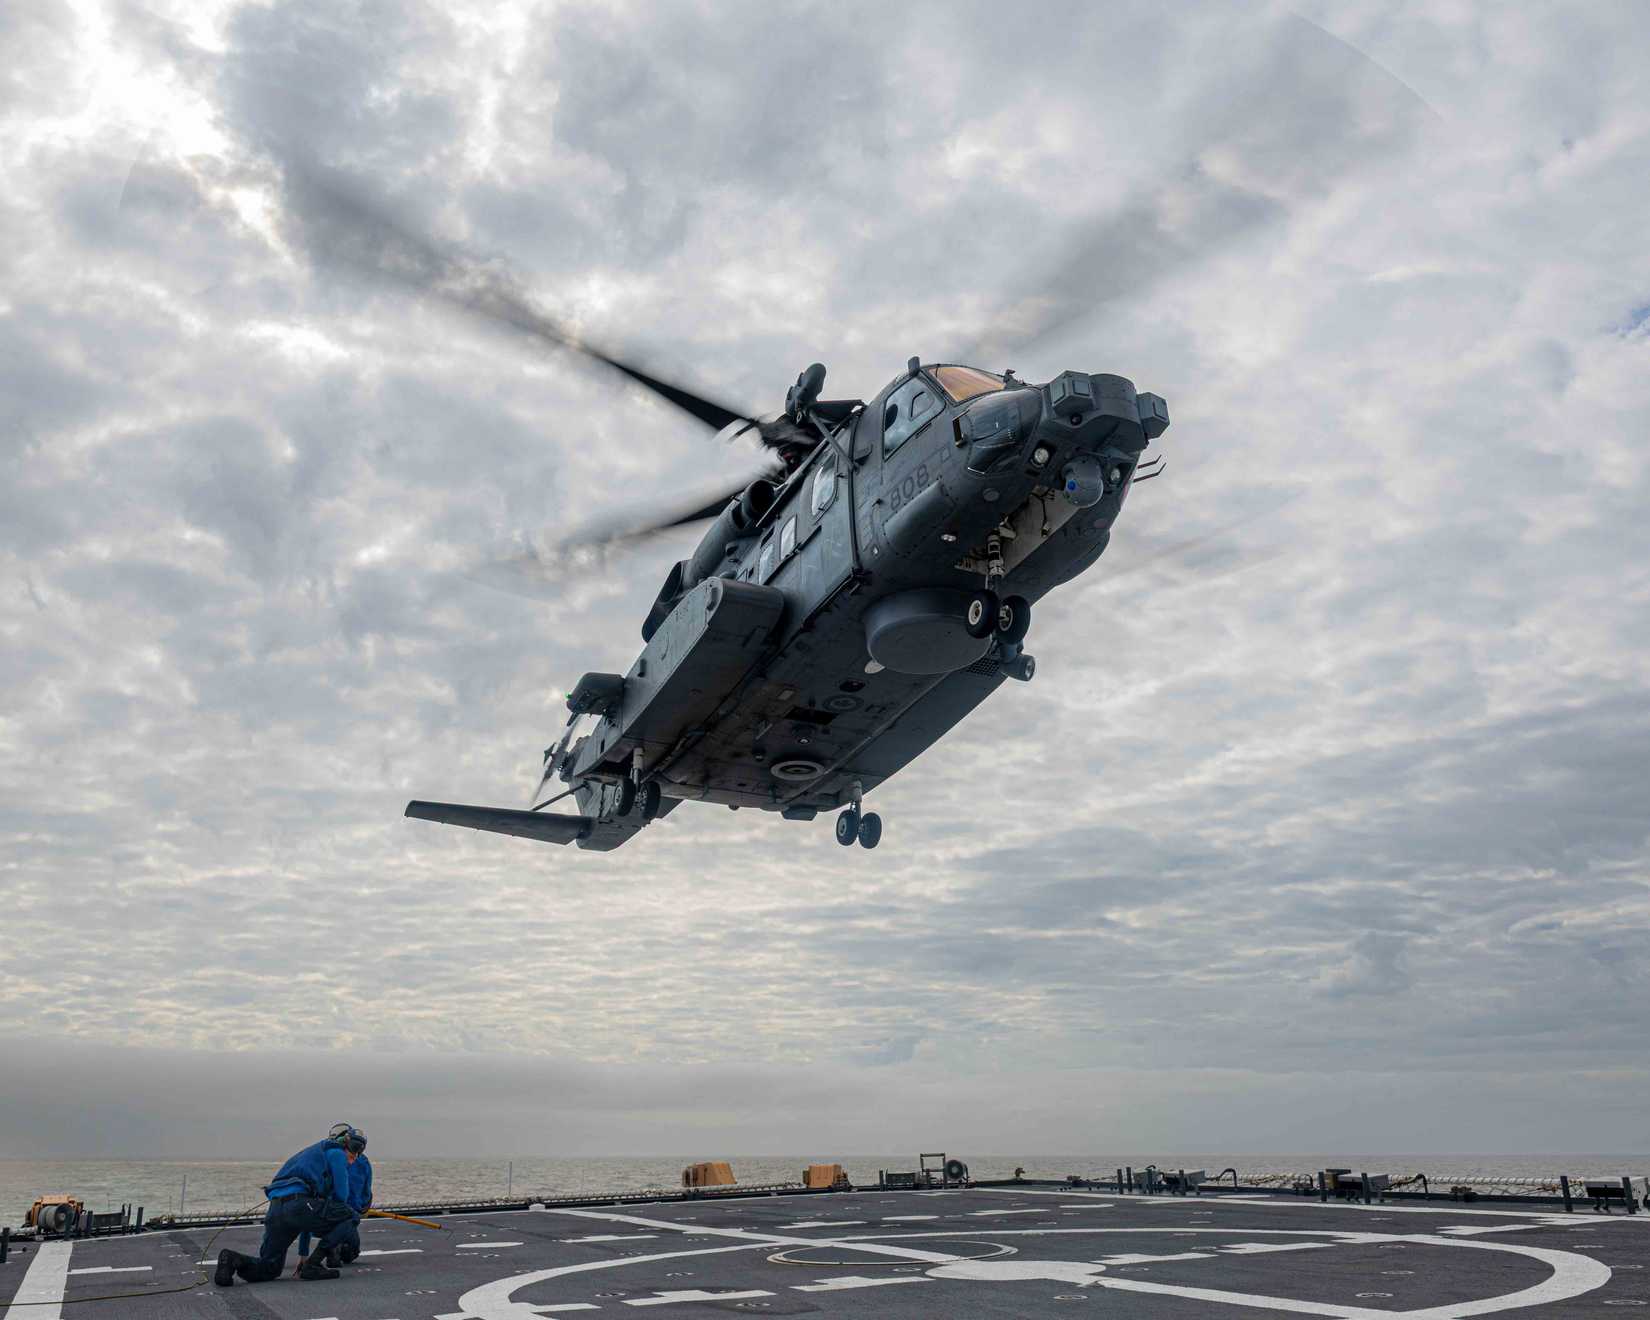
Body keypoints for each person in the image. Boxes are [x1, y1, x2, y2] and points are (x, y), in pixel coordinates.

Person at [214, 1124, 361, 1286]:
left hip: (277, 1209)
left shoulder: (309, 1155)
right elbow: (342, 1197)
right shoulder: (337, 1153)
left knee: (270, 1268)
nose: (356, 1156)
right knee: (350, 1215)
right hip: (300, 1205)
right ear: (343, 1142)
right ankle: (314, 1264)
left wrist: (303, 1256)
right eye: (355, 1149)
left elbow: (307, 1219)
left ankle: (233, 1259)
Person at [296, 1127, 371, 1271]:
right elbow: (364, 1195)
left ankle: (319, 1255)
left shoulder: (323, 1158)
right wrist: (359, 1209)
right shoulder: (362, 1161)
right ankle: (328, 1251)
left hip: (318, 1216)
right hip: (345, 1217)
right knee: (350, 1252)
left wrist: (302, 1255)